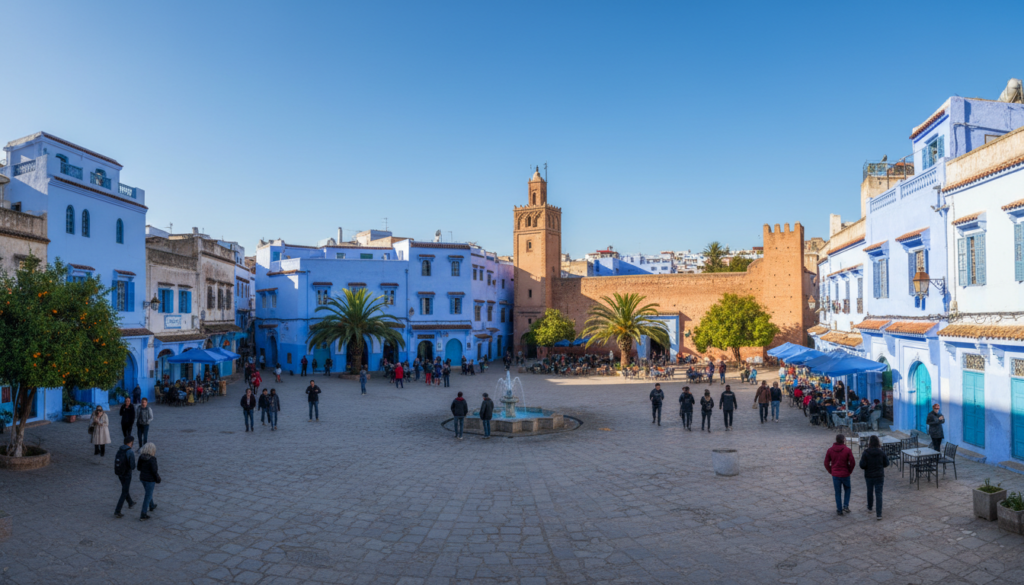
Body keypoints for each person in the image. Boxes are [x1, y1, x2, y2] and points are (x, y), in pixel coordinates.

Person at [824, 434, 856, 516]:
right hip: (845, 473)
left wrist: (830, 470)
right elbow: (852, 462)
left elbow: (826, 462)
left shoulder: (830, 450)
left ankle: (839, 509)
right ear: (843, 440)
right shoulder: (847, 450)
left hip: (835, 474)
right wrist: (849, 470)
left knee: (837, 492)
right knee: (847, 489)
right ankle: (845, 505)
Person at [859, 435, 889, 521]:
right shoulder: (881, 452)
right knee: (879, 494)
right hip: (879, 475)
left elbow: (862, 465)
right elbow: (886, 463)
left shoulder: (866, 453)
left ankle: (870, 507)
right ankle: (879, 514)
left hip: (869, 475)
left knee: (869, 491)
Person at [113, 435, 137, 518]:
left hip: (120, 473)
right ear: (130, 443)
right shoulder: (130, 452)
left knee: (125, 488)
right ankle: (117, 511)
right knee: (124, 492)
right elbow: (133, 466)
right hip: (127, 473)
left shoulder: (120, 450)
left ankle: (130, 502)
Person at [137, 443, 160, 521]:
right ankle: (143, 514)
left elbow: (138, 468)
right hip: (150, 479)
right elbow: (154, 471)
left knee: (148, 492)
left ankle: (152, 505)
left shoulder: (141, 457)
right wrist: (158, 478)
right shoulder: (152, 459)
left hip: (142, 478)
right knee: (148, 495)